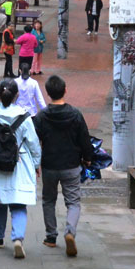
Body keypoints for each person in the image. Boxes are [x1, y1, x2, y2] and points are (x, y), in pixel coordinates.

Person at [33, 75, 97, 257]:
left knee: (48, 200)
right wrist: (88, 158)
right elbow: (84, 139)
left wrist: (35, 161)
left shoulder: (42, 116)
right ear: (65, 90)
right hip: (71, 164)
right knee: (73, 202)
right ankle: (70, 232)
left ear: (48, 93)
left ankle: (51, 237)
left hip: (49, 165)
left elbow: (33, 139)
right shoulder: (75, 114)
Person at [0, 79, 41, 258]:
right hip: (19, 162)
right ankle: (17, 238)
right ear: (17, 95)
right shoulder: (25, 116)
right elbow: (33, 143)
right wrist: (36, 164)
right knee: (18, 203)